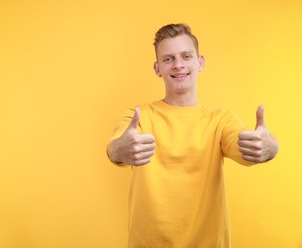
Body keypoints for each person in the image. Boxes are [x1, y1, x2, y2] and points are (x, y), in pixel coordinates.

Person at [106, 23, 279, 248]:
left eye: (186, 56)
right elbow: (117, 145)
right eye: (168, 59)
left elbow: (242, 145)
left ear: (200, 63)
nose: (178, 65)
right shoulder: (137, 117)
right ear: (158, 68)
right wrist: (118, 149)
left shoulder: (220, 119)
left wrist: (269, 147)